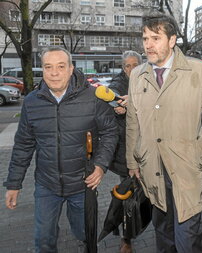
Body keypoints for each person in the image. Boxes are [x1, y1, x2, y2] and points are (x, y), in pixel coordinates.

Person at [126, 15, 202, 253]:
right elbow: (133, 122)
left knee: (187, 242)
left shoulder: (199, 71)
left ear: (172, 40)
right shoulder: (137, 75)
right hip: (152, 171)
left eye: (155, 38)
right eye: (145, 38)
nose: (148, 45)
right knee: (164, 239)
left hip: (186, 171)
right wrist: (133, 160)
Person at [3, 47, 118, 253]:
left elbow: (110, 132)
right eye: (48, 67)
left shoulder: (93, 98)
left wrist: (100, 166)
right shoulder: (31, 102)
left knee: (85, 235)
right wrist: (14, 184)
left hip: (82, 185)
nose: (54, 73)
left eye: (60, 66)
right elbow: (23, 145)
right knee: (43, 242)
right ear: (43, 70)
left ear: (71, 69)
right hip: (47, 186)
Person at [108, 50, 142, 253]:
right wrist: (117, 105)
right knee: (127, 195)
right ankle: (125, 238)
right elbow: (111, 97)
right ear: (123, 68)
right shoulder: (118, 83)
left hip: (147, 149)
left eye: (135, 64)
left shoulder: (147, 78)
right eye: (127, 66)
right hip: (125, 152)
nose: (132, 69)